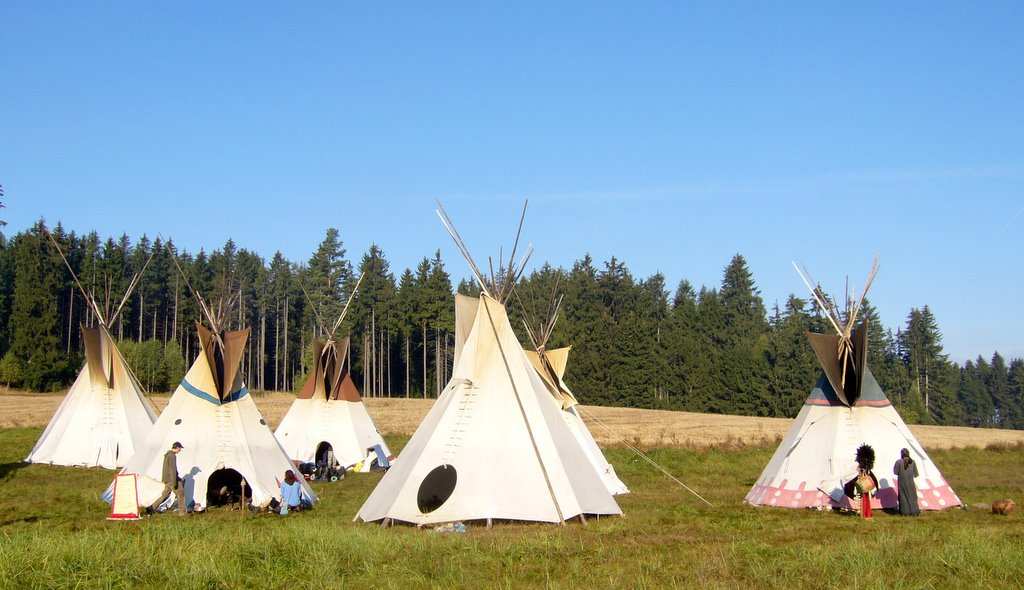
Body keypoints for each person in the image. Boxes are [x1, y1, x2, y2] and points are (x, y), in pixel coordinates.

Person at [148, 442, 186, 515]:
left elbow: (168, 469)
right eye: (180, 448)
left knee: (164, 495)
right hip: (172, 480)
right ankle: (182, 513)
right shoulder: (172, 456)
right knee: (181, 494)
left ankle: (152, 507)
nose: (180, 450)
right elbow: (172, 469)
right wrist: (175, 482)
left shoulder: (168, 454)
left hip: (167, 479)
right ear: (177, 447)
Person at [894, 448, 920, 516]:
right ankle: (915, 512)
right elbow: (916, 474)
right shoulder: (913, 462)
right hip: (911, 483)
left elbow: (895, 472)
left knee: (903, 498)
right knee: (912, 497)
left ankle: (905, 513)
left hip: (902, 483)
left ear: (901, 454)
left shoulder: (898, 462)